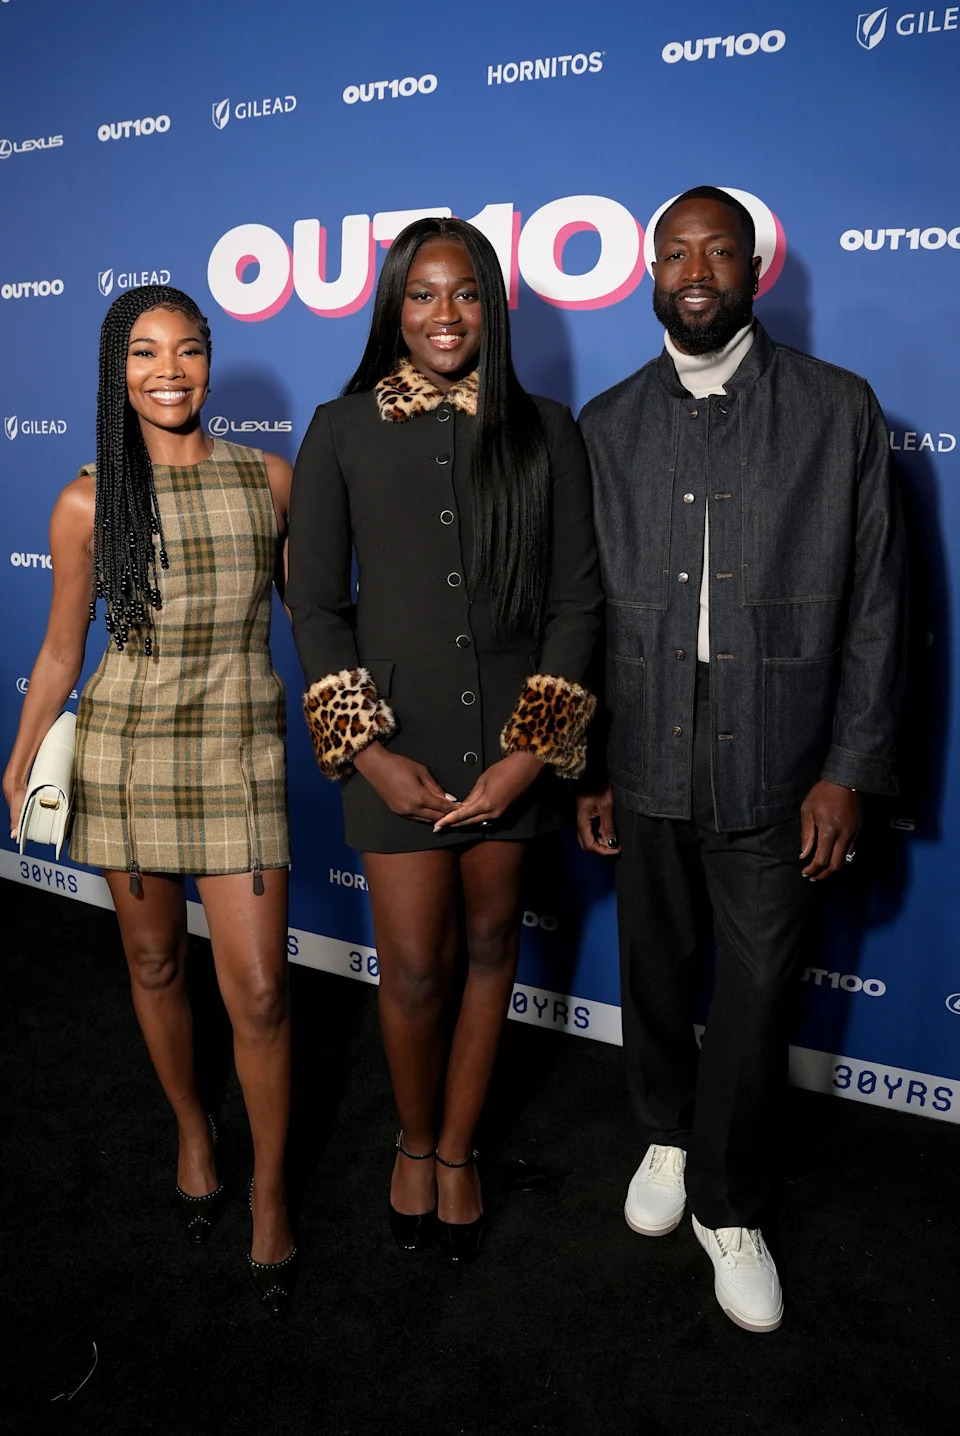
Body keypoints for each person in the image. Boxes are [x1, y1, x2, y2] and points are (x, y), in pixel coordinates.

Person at [577, 186, 906, 1332]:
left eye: (720, 250)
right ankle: (667, 1135)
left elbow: (879, 606)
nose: (697, 271)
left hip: (782, 749)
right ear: (651, 273)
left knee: (759, 989)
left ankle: (729, 1201)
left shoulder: (837, 409)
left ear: (755, 269)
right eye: (677, 253)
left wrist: (849, 767)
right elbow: (583, 614)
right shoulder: (607, 423)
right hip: (643, 733)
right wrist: (587, 763)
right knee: (657, 966)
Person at [286, 217, 601, 1262]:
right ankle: (414, 1139)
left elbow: (576, 602)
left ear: (492, 307)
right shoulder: (340, 428)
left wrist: (533, 752)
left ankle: (459, 1151)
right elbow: (315, 604)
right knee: (416, 968)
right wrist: (366, 751)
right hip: (395, 747)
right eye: (422, 294)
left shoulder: (546, 427)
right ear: (394, 307)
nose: (445, 314)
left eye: (465, 292)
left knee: (491, 950)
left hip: (512, 746)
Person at [3, 285, 297, 1316]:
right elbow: (59, 650)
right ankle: (192, 1126)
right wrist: (20, 755)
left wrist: (361, 722)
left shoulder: (269, 480)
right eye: (143, 352)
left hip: (241, 751)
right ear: (115, 372)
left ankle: (271, 1188)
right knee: (156, 960)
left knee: (260, 991)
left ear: (210, 361)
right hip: (129, 752)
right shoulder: (88, 501)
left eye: (187, 349)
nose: (168, 370)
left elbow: (322, 619)